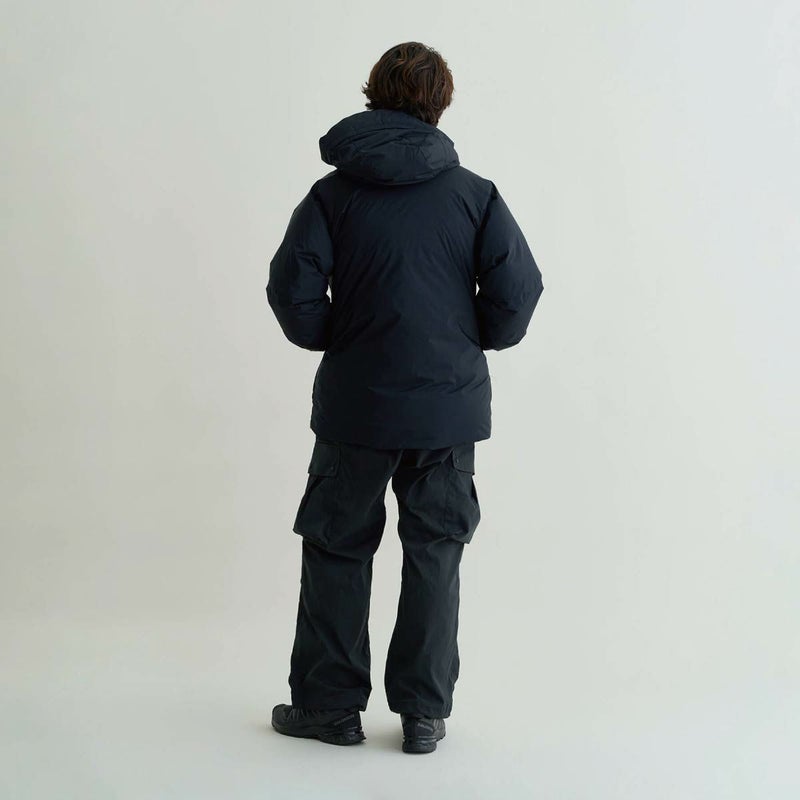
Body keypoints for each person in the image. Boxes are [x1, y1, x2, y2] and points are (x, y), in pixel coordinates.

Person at [266, 41, 544, 754]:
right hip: (446, 409)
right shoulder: (475, 195)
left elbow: (292, 289)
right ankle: (423, 714)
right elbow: (517, 292)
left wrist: (339, 337)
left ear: (373, 93)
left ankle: (329, 707)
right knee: (435, 551)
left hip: (356, 406)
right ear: (440, 102)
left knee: (337, 547)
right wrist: (466, 340)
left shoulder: (332, 195)